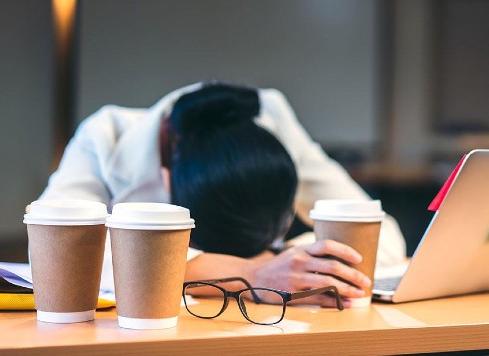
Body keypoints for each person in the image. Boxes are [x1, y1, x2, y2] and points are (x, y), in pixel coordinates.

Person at [39, 81, 406, 307]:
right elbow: (56, 253)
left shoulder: (270, 121)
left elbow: (381, 237)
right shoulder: (106, 137)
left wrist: (298, 265)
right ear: (166, 182)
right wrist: (253, 274)